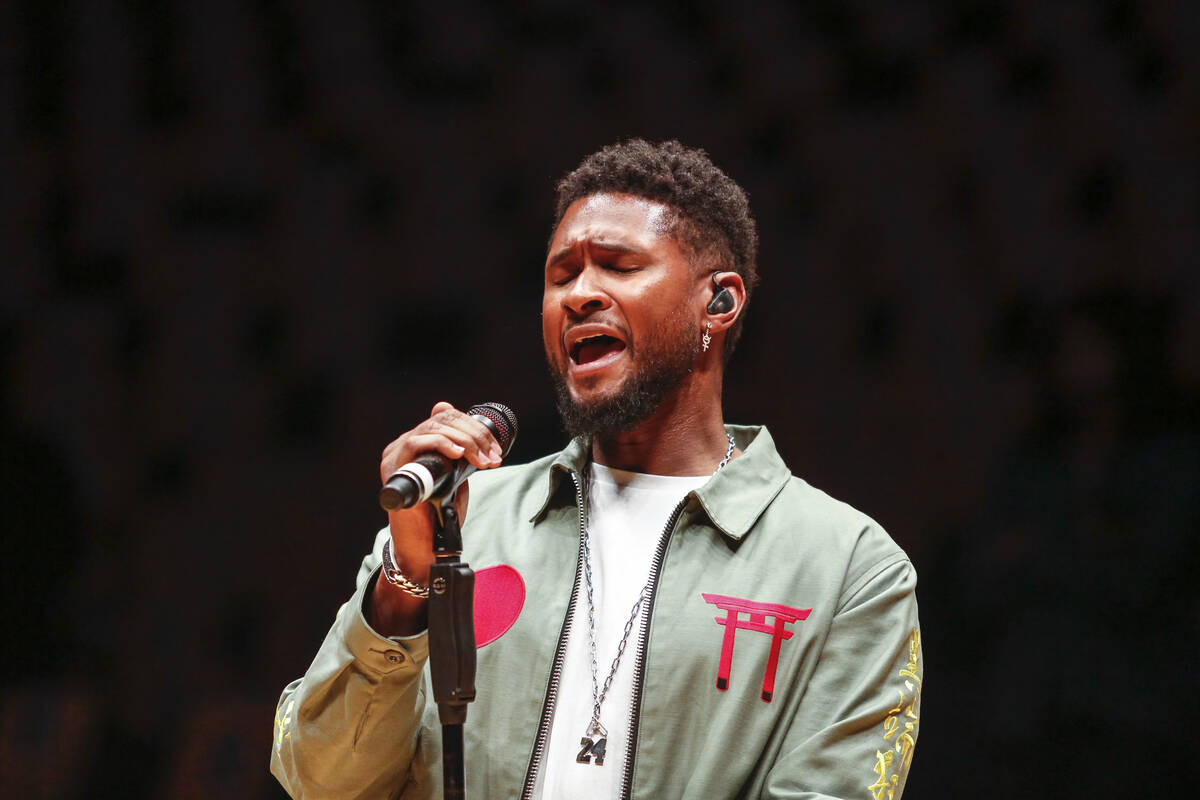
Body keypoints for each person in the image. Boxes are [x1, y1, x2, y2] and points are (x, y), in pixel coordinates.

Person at [270, 139, 923, 799]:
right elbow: (319, 781)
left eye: (618, 266)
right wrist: (406, 581)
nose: (579, 294)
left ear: (719, 303)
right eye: (561, 275)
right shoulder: (463, 519)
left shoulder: (846, 567)